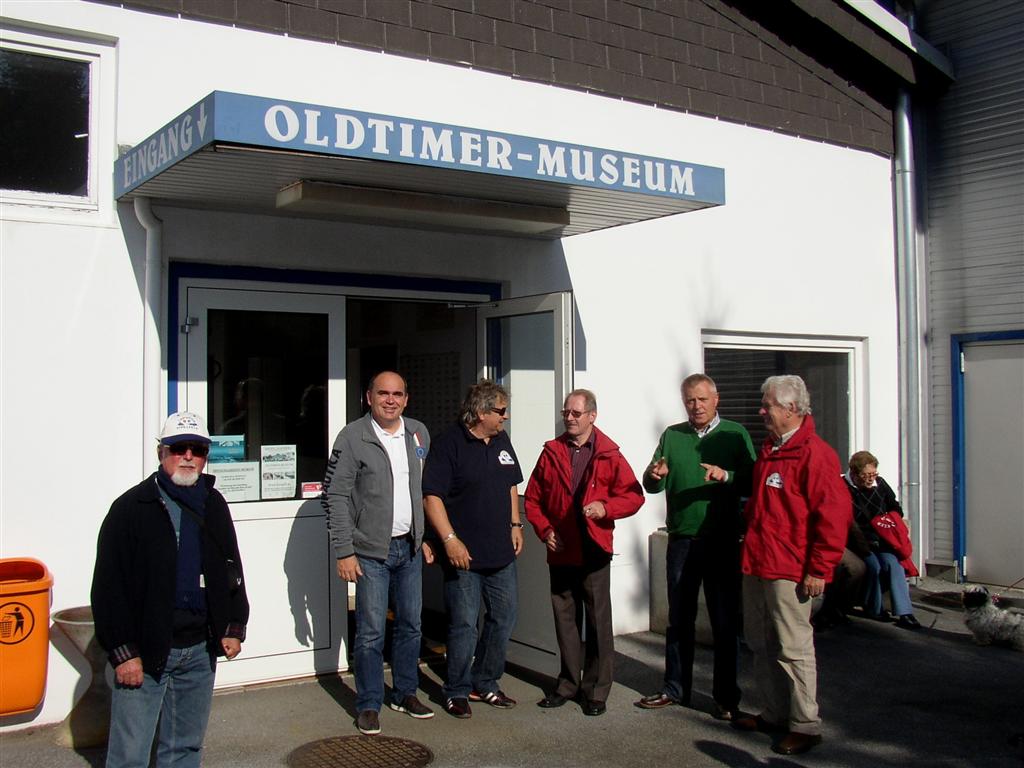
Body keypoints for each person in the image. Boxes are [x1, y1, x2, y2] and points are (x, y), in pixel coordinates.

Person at [92, 412, 249, 768]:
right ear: (162, 452)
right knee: (129, 756)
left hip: (199, 649)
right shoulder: (131, 508)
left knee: (185, 749)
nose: (189, 456)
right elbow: (108, 588)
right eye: (179, 448)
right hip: (145, 654)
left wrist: (234, 626)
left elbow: (231, 568)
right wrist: (123, 652)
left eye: (198, 449)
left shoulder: (213, 503)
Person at [735, 375, 851, 756]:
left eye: (767, 405)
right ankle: (773, 712)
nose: (761, 411)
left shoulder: (815, 455)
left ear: (791, 409)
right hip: (758, 562)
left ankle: (805, 723)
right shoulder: (771, 448)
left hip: (790, 569)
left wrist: (820, 568)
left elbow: (833, 517)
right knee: (760, 642)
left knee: (794, 647)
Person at [635, 373, 755, 720]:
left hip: (721, 540)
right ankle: (675, 688)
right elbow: (653, 482)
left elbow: (752, 479)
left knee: (723, 621)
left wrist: (726, 476)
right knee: (679, 618)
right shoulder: (673, 435)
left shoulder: (734, 433)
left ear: (716, 400)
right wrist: (654, 476)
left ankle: (726, 698)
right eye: (690, 400)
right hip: (682, 539)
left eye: (702, 399)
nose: (696, 406)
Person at [322, 371, 434, 736]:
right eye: (383, 393)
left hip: (410, 549)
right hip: (371, 552)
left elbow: (418, 490)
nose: (390, 400)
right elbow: (335, 496)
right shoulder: (353, 437)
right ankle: (369, 703)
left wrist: (424, 535)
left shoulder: (418, 433)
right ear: (368, 397)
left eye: (397, 394)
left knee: (411, 625)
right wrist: (344, 550)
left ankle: (404, 692)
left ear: (406, 398)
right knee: (370, 632)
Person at [524, 389, 644, 716]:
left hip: (593, 549)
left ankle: (596, 691)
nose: (570, 418)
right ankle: (567, 684)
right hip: (560, 549)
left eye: (576, 413)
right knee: (565, 621)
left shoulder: (608, 453)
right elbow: (533, 501)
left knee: (598, 621)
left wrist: (605, 508)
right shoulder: (551, 452)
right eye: (566, 413)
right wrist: (545, 531)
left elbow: (634, 496)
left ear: (592, 415)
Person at [422, 380, 524, 719]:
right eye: (501, 411)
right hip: (464, 556)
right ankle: (457, 689)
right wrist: (449, 539)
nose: (505, 418)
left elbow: (510, 482)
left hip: (501, 552)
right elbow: (431, 496)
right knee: (465, 624)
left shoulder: (501, 441)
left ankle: (487, 681)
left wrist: (515, 523)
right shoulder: (448, 444)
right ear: (481, 412)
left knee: (504, 618)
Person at [843, 450, 921, 629]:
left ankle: (905, 612)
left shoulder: (881, 484)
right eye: (866, 475)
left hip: (882, 537)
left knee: (895, 565)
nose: (871, 479)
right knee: (874, 566)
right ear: (855, 474)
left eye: (874, 474)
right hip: (858, 539)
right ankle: (874, 607)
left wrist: (892, 520)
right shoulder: (844, 488)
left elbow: (894, 506)